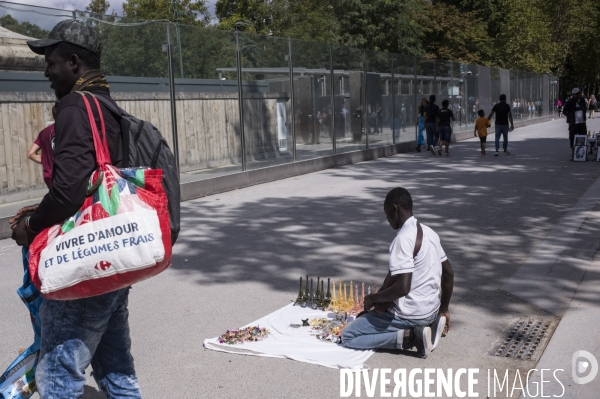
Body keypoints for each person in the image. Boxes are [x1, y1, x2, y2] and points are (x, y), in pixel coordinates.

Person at [10, 20, 143, 398]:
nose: (46, 72)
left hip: (84, 264)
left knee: (57, 374)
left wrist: (32, 225)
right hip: (114, 258)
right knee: (116, 369)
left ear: (72, 62)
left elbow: (69, 190)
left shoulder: (72, 107)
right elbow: (92, 184)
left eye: (50, 62)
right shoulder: (107, 106)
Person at [341, 187, 454, 359]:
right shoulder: (430, 232)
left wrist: (372, 298)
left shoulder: (403, 239)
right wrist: (443, 309)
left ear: (395, 209)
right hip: (431, 309)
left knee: (348, 336)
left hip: (410, 315)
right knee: (368, 318)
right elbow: (449, 274)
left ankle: (410, 337)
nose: (387, 220)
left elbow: (402, 288)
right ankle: (431, 323)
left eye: (387, 214)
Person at [28, 122, 56, 188]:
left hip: (49, 175)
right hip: (63, 174)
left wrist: (46, 160)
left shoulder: (44, 132)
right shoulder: (66, 129)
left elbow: (30, 154)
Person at [563, 87, 588, 161]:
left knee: (583, 138)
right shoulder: (570, 102)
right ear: (573, 94)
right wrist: (570, 117)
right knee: (572, 138)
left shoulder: (582, 100)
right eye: (577, 94)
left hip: (582, 123)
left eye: (579, 93)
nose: (578, 95)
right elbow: (564, 111)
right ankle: (573, 154)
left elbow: (585, 108)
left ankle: (583, 155)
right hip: (574, 123)